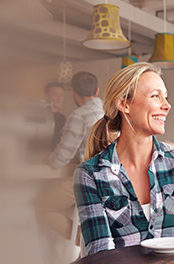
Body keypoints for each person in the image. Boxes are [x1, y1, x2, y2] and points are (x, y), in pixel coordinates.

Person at [73, 62, 174, 256]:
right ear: (124, 104)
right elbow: (100, 254)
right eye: (155, 96)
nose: (167, 105)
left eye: (166, 97)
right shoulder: (90, 174)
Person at [37, 72, 104, 244]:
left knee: (41, 206)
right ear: (97, 91)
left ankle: (88, 241)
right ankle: (94, 239)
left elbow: (62, 157)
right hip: (112, 181)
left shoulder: (79, 115)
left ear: (73, 92)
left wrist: (49, 159)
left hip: (90, 181)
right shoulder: (110, 113)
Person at [44, 82, 66, 150]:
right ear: (47, 96)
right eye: (55, 94)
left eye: (61, 95)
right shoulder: (42, 116)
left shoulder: (62, 118)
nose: (59, 98)